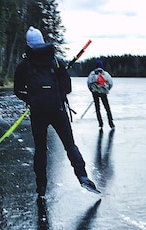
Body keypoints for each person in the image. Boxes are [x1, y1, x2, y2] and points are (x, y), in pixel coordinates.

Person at [14, 26, 98, 197]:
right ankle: (82, 177)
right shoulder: (56, 61)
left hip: (38, 113)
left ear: (28, 44)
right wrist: (57, 96)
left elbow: (17, 90)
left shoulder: (24, 65)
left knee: (40, 149)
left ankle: (41, 187)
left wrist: (31, 99)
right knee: (70, 145)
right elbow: (67, 87)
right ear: (42, 40)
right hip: (58, 110)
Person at [87, 60, 114, 129]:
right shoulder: (105, 74)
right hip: (103, 92)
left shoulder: (92, 74)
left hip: (95, 93)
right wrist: (107, 90)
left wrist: (92, 90)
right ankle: (111, 123)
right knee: (107, 107)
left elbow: (89, 83)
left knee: (97, 108)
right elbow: (110, 83)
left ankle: (100, 123)